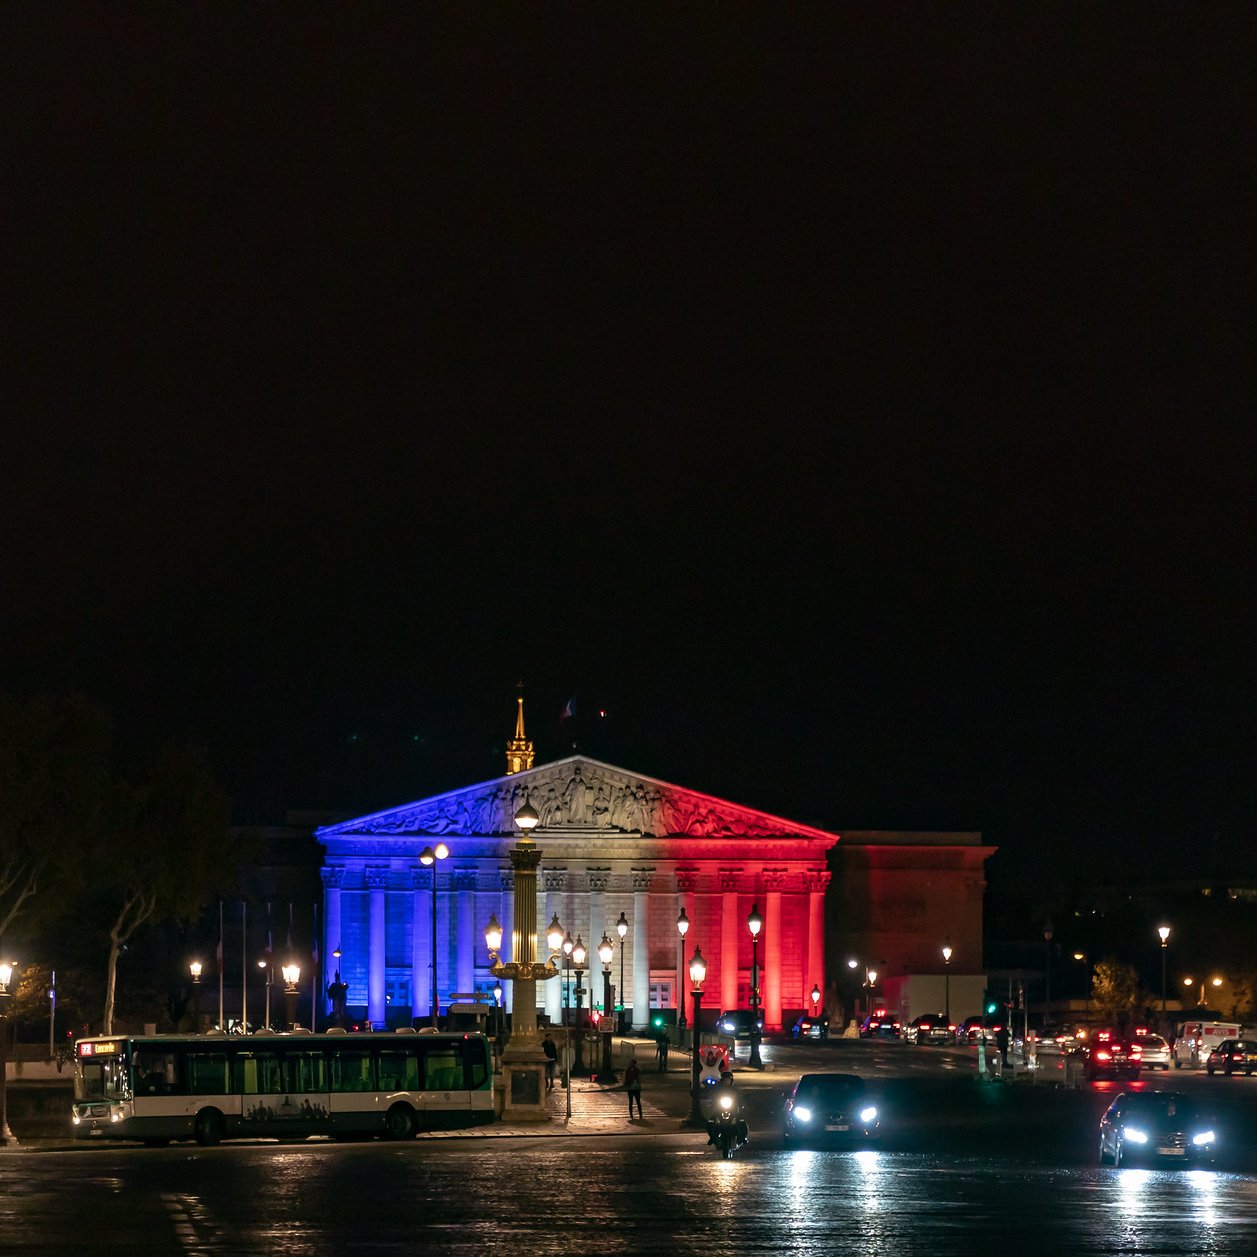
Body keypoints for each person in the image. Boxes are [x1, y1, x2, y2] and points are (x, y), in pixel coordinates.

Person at [624, 1054, 643, 1120]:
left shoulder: (629, 1070)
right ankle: (636, 1115)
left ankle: (635, 1115)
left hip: (633, 1087)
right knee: (634, 1102)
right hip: (634, 1088)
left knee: (634, 1102)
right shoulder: (633, 1070)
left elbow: (627, 1079)